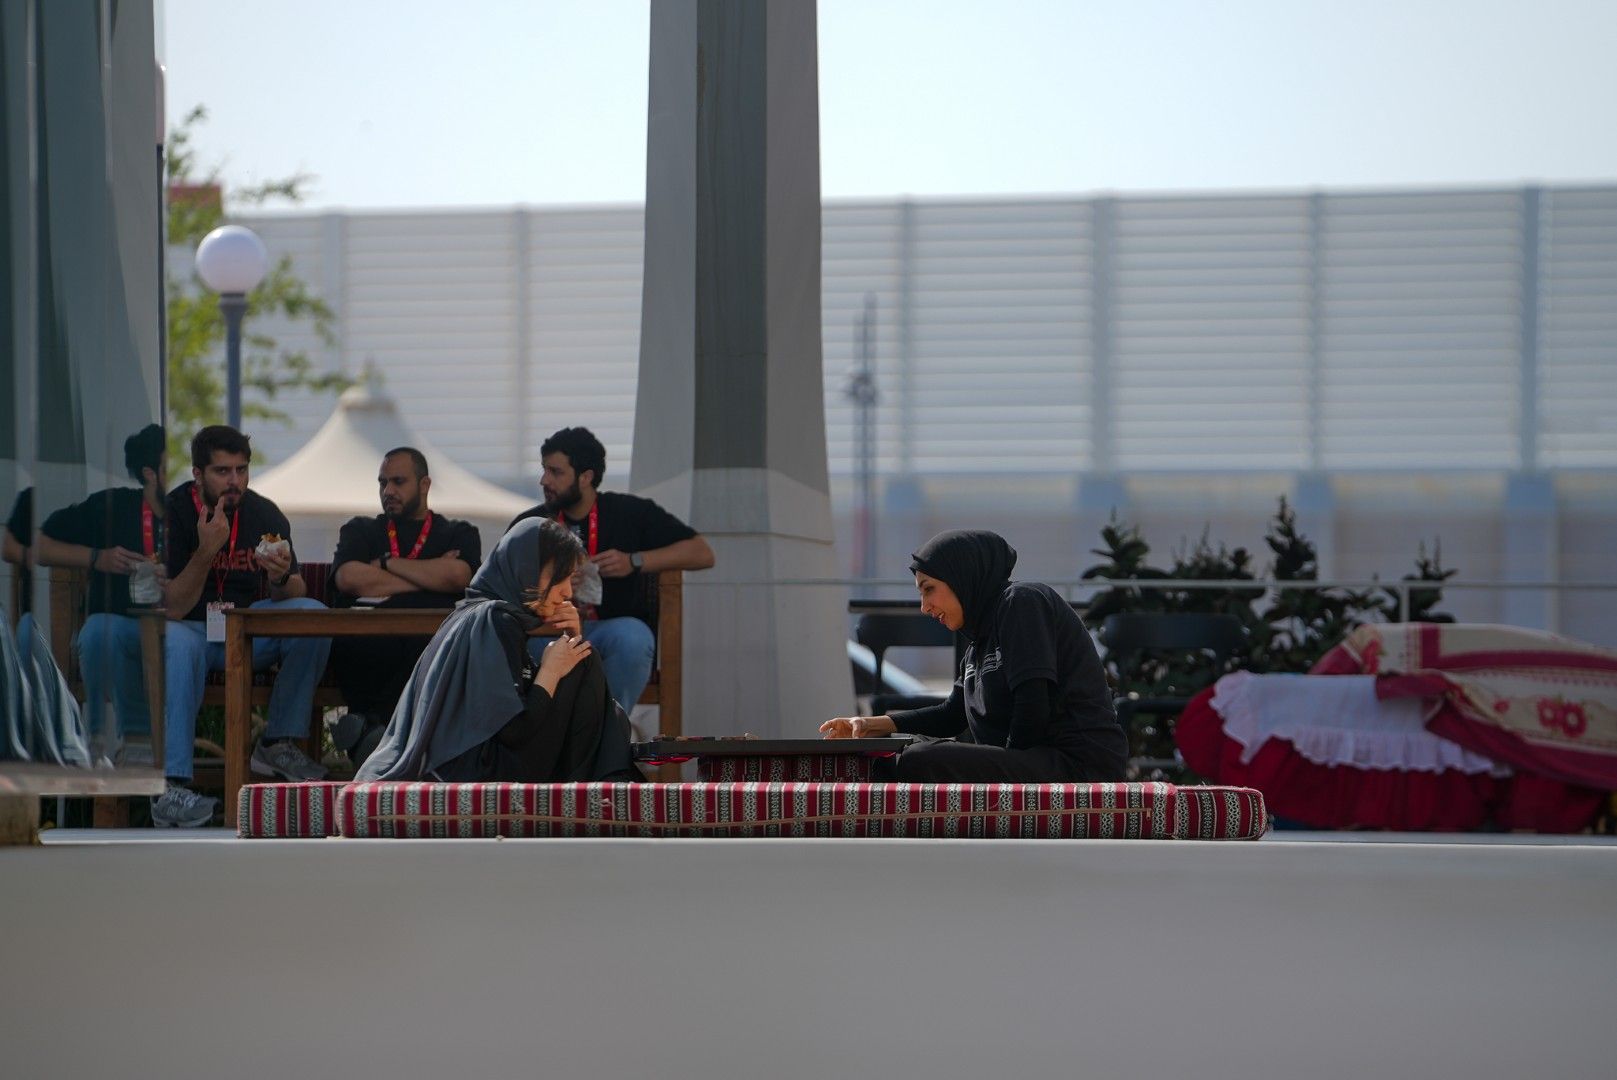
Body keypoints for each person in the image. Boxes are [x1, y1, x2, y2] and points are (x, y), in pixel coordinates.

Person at [821, 529, 1127, 783]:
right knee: (905, 751)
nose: (924, 607)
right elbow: (951, 715)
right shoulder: (977, 645)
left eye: (929, 589)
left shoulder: (1021, 603)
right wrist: (871, 725)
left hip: (1076, 765)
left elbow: (1033, 704)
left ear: (961, 576)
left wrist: (1002, 773)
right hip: (1030, 761)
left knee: (921, 759)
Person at [355, 517, 636, 784]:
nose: (566, 592)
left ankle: (605, 784)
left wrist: (572, 639)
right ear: (525, 568)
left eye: (569, 579)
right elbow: (516, 730)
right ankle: (605, 787)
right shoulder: (496, 621)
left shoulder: (480, 615)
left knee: (585, 664)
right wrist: (552, 670)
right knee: (586, 662)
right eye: (558, 577)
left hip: (476, 763)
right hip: (479, 771)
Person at [161, 425, 332, 827]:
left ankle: (276, 743)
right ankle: (171, 787)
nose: (234, 481)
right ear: (198, 474)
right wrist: (206, 551)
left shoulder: (264, 513)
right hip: (190, 630)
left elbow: (297, 588)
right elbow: (172, 607)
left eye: (241, 470)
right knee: (176, 643)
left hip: (247, 631)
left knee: (312, 615)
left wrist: (279, 576)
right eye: (222, 471)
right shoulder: (172, 513)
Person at [508, 426, 714, 711]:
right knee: (521, 647)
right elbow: (502, 582)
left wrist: (634, 561)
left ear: (586, 477)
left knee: (633, 638)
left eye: (555, 472)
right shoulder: (530, 524)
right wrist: (550, 583)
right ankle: (553, 732)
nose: (544, 480)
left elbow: (702, 553)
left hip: (610, 629)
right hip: (549, 630)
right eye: (544, 470)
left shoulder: (629, 512)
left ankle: (608, 728)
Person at [327, 447, 481, 764]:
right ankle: (383, 738)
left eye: (398, 482)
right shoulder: (361, 530)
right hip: (368, 646)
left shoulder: (457, 532)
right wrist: (429, 577)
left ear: (424, 485)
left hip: (432, 647)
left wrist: (386, 563)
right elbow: (349, 578)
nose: (388, 491)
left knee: (432, 649)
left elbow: (458, 576)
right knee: (366, 647)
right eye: (383, 482)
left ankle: (373, 735)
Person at [33, 425, 168, 756]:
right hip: (123, 626)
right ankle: (125, 741)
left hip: (179, 629)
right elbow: (40, 546)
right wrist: (97, 558)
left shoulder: (199, 513)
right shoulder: (112, 507)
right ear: (150, 474)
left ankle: (161, 747)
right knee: (96, 633)